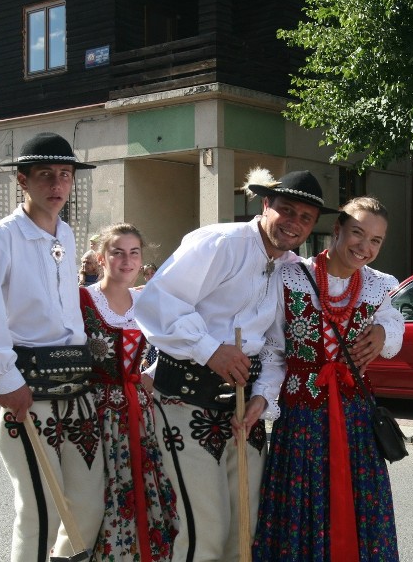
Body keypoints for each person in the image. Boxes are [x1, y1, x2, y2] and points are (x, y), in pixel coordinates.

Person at [134, 169, 383, 562]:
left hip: (241, 410)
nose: (294, 223)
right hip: (186, 400)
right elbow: (155, 303)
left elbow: (274, 349)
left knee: (246, 530)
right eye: (286, 210)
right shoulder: (220, 242)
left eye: (305, 218)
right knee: (203, 532)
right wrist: (210, 349)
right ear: (265, 204)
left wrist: (263, 400)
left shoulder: (290, 268)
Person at [0, 132, 105, 562]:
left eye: (65, 175)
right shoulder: (0, 239)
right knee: (40, 511)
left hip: (76, 392)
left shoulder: (66, 235)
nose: (57, 185)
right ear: (22, 180)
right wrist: (5, 377)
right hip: (28, 396)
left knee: (87, 508)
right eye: (46, 175)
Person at [246, 196, 405, 561]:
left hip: (356, 423)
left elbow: (396, 324)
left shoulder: (379, 285)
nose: (364, 247)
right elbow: (273, 351)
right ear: (337, 230)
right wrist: (262, 398)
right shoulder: (289, 276)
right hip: (302, 421)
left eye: (376, 241)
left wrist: (383, 330)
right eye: (357, 234)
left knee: (358, 508)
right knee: (301, 513)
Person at [79, 223, 178, 561]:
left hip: (138, 412)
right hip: (92, 415)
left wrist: (149, 374)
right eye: (117, 252)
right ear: (100, 258)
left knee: (141, 493)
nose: (126, 260)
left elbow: (174, 342)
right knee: (95, 497)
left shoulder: (146, 299)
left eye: (133, 253)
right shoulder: (82, 299)